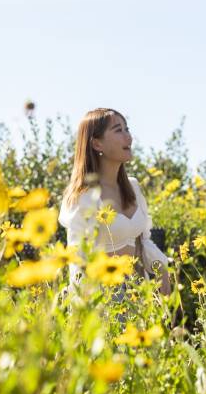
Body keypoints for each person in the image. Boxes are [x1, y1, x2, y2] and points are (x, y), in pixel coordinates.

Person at [59, 108, 171, 295]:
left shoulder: (133, 187)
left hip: (137, 298)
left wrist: (162, 269)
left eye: (127, 129)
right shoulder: (82, 196)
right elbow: (77, 257)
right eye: (119, 130)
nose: (128, 137)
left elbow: (143, 241)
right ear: (96, 144)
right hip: (101, 300)